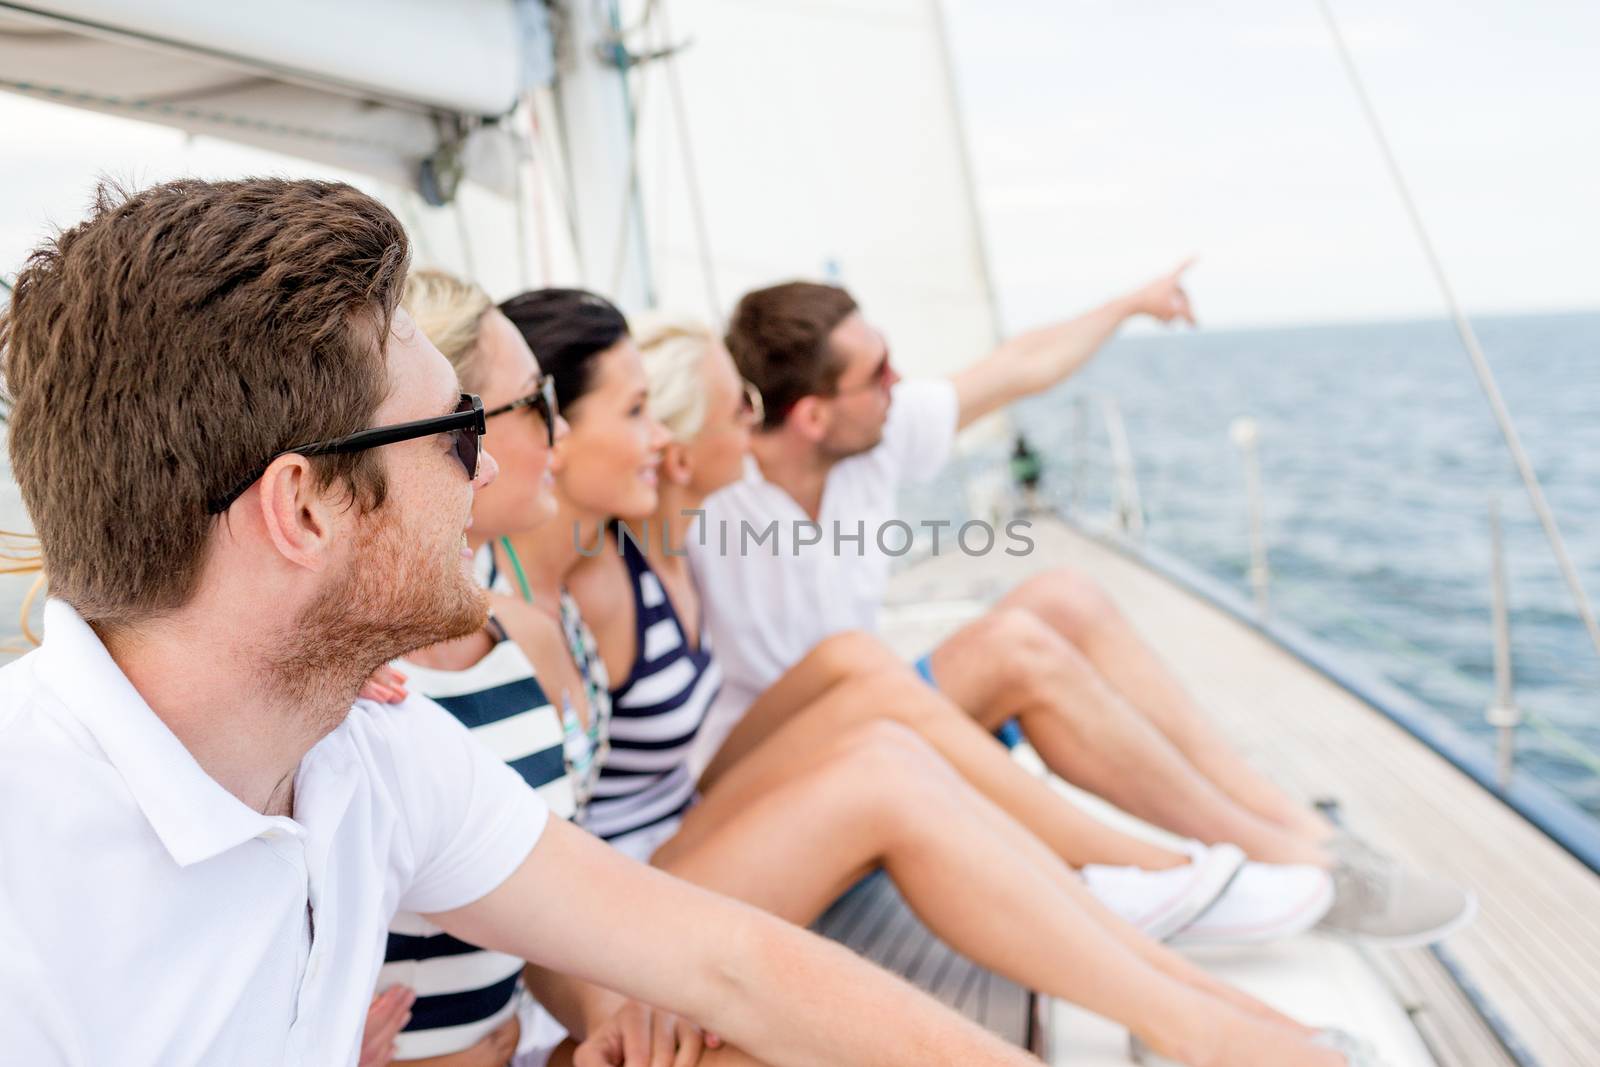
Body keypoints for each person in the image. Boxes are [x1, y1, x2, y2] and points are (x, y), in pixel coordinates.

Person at [0, 177, 1045, 1067]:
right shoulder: (30, 877)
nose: (488, 462)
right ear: (302, 507)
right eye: (456, 430)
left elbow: (731, 963)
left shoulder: (359, 744)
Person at [477, 285, 1387, 1067]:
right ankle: (1182, 959)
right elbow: (518, 868)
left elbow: (1018, 366)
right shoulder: (572, 579)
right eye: (637, 414)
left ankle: (1192, 941)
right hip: (625, 899)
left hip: (660, 847)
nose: (738, 432)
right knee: (881, 760)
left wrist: (1128, 303)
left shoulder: (616, 551)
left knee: (870, 684)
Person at [688, 274, 1474, 946]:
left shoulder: (873, 436)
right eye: (880, 372)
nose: (902, 382)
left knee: (1063, 596)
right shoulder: (706, 497)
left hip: (867, 707)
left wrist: (1129, 304)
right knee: (1008, 650)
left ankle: (1295, 827)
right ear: (812, 416)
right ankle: (1272, 861)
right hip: (764, 764)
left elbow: (1018, 366)